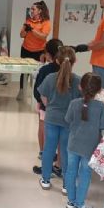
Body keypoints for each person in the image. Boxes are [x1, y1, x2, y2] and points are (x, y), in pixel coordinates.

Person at [64, 73, 104, 208]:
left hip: (73, 144)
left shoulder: (74, 103)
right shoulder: (101, 107)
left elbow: (67, 119)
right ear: (100, 90)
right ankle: (79, 205)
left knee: (71, 171)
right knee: (84, 173)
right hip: (89, 147)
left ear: (80, 87)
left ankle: (71, 201)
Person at [38, 46, 81, 192]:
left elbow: (43, 96)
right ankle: (66, 185)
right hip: (68, 121)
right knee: (66, 151)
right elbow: (80, 101)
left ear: (57, 60)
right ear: (75, 61)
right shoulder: (77, 81)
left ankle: (45, 179)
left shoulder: (50, 78)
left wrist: (49, 106)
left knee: (48, 148)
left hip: (51, 118)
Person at [32, 38, 64, 175]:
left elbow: (38, 90)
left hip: (47, 107)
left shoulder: (45, 70)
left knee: (44, 130)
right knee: (61, 136)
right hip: (63, 109)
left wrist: (39, 101)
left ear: (48, 54)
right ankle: (59, 164)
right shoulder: (66, 69)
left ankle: (44, 155)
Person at [18, 1, 51, 100]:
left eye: (33, 9)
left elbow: (43, 36)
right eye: (31, 9)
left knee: (38, 73)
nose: (31, 11)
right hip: (26, 49)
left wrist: (32, 29)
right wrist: (25, 30)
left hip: (39, 51)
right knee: (24, 72)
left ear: (40, 11)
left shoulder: (46, 22)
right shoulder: (28, 21)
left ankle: (38, 94)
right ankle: (21, 91)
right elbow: (21, 35)